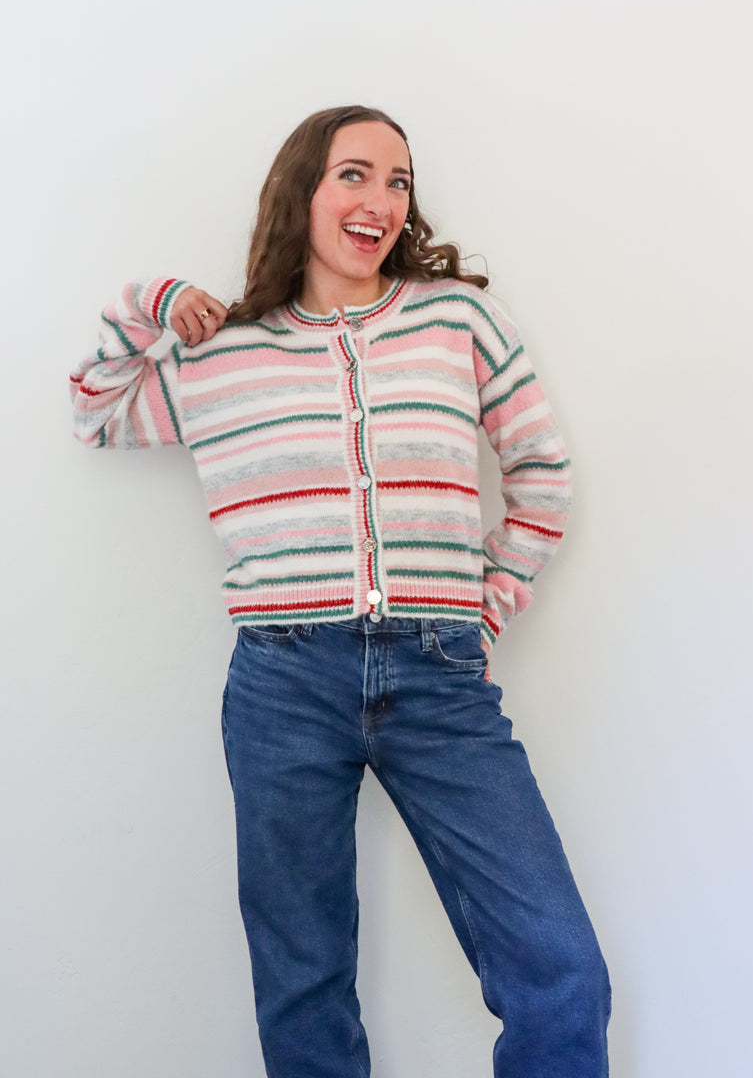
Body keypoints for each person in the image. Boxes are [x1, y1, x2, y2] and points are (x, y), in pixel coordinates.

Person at [70, 105, 611, 1077]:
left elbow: (540, 470)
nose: (380, 201)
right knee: (303, 979)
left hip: (439, 676)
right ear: (301, 191)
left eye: (398, 181)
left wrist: (483, 605)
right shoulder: (221, 349)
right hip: (281, 684)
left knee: (559, 970)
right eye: (354, 174)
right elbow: (94, 410)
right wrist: (152, 302)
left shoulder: (457, 320)